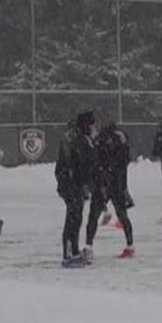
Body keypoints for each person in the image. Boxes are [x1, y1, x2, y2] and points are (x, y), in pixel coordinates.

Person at [56, 110, 97, 267]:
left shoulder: (83, 139)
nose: (93, 127)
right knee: (72, 218)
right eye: (91, 124)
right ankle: (67, 255)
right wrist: (75, 183)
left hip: (76, 184)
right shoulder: (75, 139)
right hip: (71, 183)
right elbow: (75, 164)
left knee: (77, 217)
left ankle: (73, 250)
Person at [90, 120, 135, 259]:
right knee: (95, 214)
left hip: (112, 182)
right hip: (109, 181)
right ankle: (88, 245)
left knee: (119, 214)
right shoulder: (101, 138)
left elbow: (123, 160)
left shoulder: (115, 138)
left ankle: (130, 245)